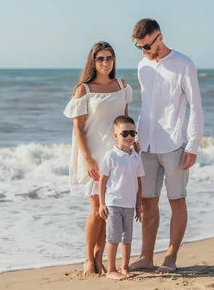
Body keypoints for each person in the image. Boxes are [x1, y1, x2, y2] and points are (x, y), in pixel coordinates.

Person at [128, 18, 204, 274]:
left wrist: (192, 144)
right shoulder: (142, 67)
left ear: (159, 37)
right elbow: (146, 106)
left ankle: (170, 257)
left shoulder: (184, 64)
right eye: (140, 48)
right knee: (148, 202)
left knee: (176, 201)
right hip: (146, 144)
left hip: (174, 144)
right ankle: (146, 257)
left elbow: (195, 107)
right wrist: (135, 138)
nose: (145, 52)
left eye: (147, 46)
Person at [63, 41, 133, 276]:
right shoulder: (85, 89)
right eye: (100, 58)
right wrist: (87, 159)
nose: (105, 62)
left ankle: (98, 258)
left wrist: (132, 147)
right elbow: (78, 128)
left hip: (116, 156)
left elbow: (125, 122)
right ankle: (87, 259)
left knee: (109, 209)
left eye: (109, 58)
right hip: (93, 155)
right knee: (96, 208)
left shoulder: (122, 86)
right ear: (93, 62)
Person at [98, 115, 144, 280]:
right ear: (115, 135)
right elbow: (102, 180)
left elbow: (138, 182)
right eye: (125, 133)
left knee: (127, 238)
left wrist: (139, 205)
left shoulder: (136, 157)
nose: (129, 136)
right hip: (113, 203)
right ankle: (111, 270)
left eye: (132, 133)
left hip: (130, 205)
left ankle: (124, 268)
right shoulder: (112, 156)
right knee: (114, 238)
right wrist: (102, 203)